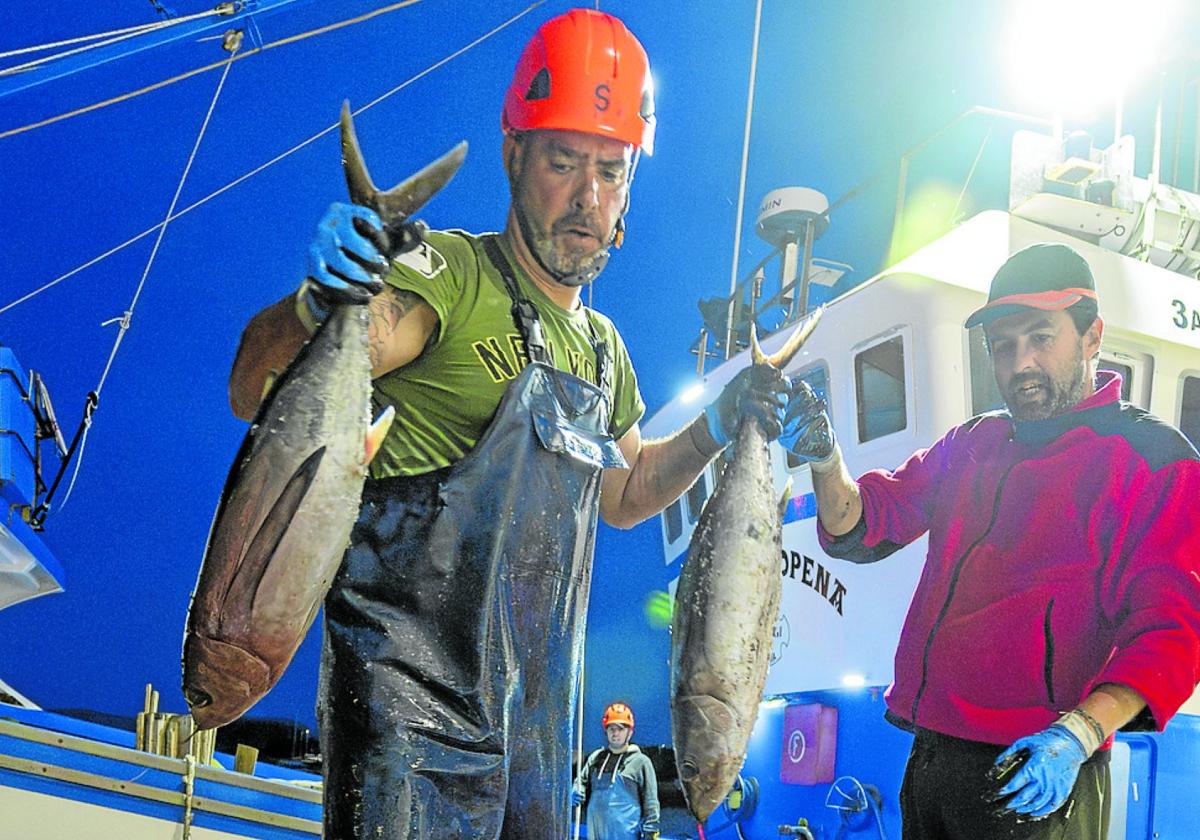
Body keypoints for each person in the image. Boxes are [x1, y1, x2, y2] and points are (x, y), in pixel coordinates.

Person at [227, 9, 796, 839]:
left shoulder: (604, 349)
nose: (587, 197)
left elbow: (628, 492)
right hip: (405, 734)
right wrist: (320, 302)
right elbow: (257, 388)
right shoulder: (449, 277)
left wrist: (721, 421)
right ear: (513, 155)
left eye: (610, 170)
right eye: (563, 162)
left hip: (534, 742)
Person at [784, 242, 1200, 839]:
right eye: (1002, 346)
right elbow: (865, 525)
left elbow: (1173, 631)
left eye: (1040, 337)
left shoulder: (1153, 461)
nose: (1020, 362)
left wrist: (1076, 735)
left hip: (1034, 773)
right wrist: (825, 458)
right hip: (929, 760)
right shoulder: (972, 443)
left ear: (1092, 336)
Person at [571, 702, 660, 840]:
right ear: (605, 731)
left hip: (626, 835)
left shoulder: (640, 762)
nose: (615, 733)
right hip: (596, 833)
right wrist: (577, 789)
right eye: (611, 728)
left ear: (630, 732)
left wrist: (651, 831)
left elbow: (651, 801)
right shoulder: (596, 758)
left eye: (621, 729)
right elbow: (581, 781)